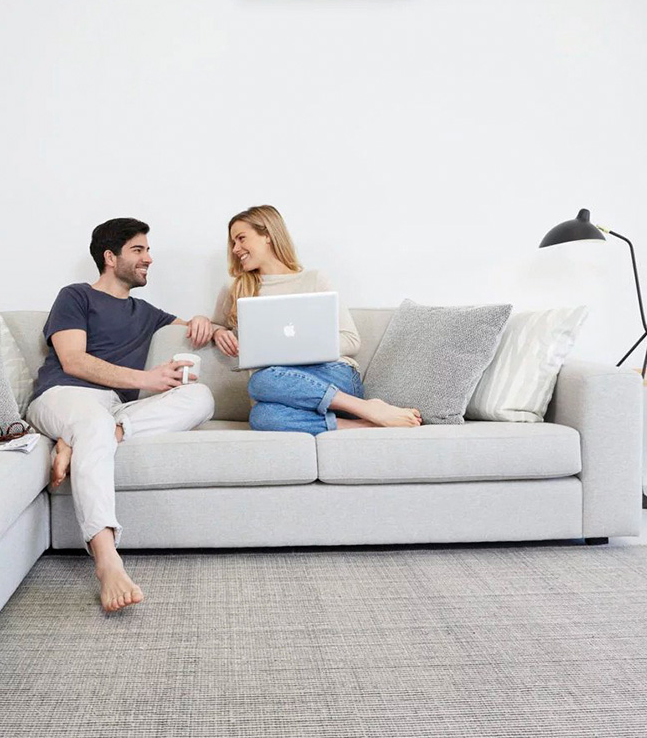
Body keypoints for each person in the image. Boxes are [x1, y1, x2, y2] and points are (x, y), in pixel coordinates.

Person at [27, 218, 215, 613]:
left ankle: (85, 440)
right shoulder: (75, 296)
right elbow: (74, 361)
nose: (149, 258)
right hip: (64, 395)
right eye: (139, 250)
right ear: (110, 257)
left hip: (115, 410)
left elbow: (191, 326)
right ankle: (107, 560)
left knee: (200, 397)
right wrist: (147, 378)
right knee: (93, 421)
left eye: (148, 249)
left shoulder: (144, 311)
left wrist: (204, 322)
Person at [210, 205, 421, 434]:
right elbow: (216, 325)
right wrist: (217, 331)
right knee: (261, 416)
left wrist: (296, 349)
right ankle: (364, 421)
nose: (235, 248)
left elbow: (351, 340)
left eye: (241, 239)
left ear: (268, 235)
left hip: (333, 375)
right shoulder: (236, 290)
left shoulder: (314, 280)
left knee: (261, 381)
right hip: (283, 391)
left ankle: (362, 407)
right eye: (233, 242)